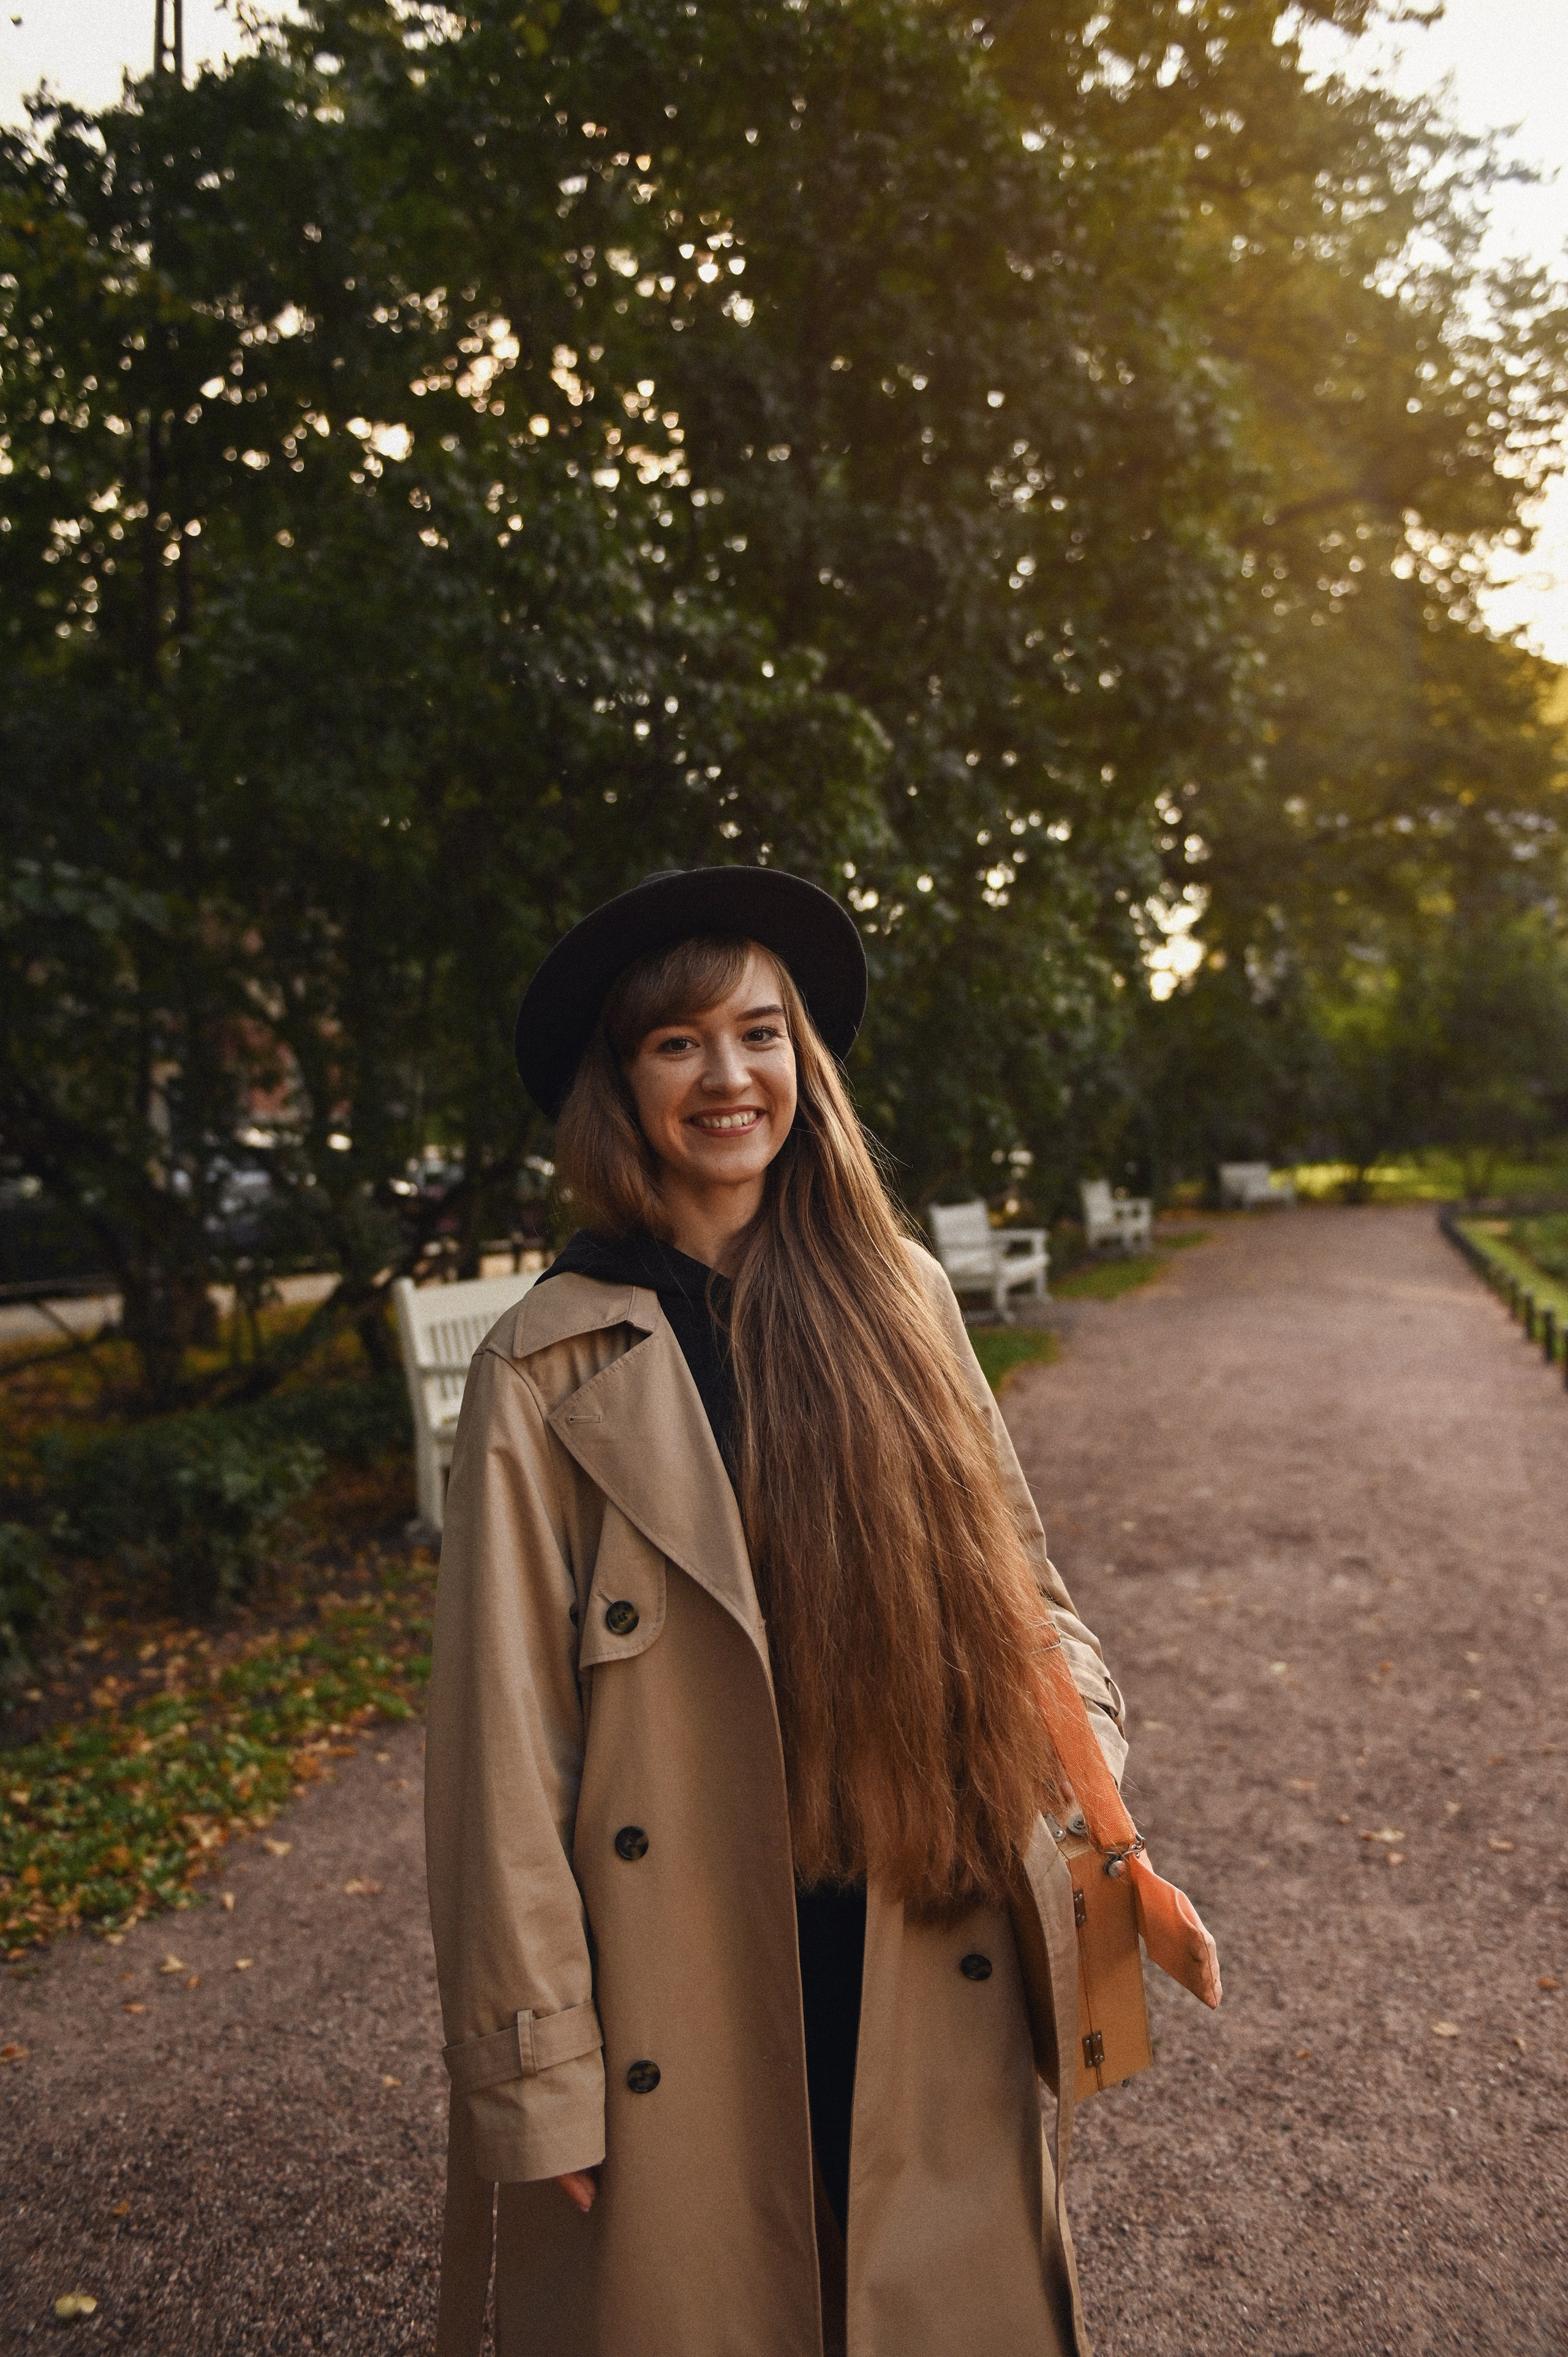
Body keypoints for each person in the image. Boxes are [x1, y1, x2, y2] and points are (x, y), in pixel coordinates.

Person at [424, 865, 1133, 2357]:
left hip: (921, 1918)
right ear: (621, 1086)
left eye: (759, 1033)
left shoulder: (901, 1297)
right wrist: (536, 2066)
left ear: (801, 1060)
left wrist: (1067, 1781)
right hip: (679, 1974)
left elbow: (1028, 1597)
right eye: (676, 1042)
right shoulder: (543, 1366)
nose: (728, 1075)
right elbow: (500, 1754)